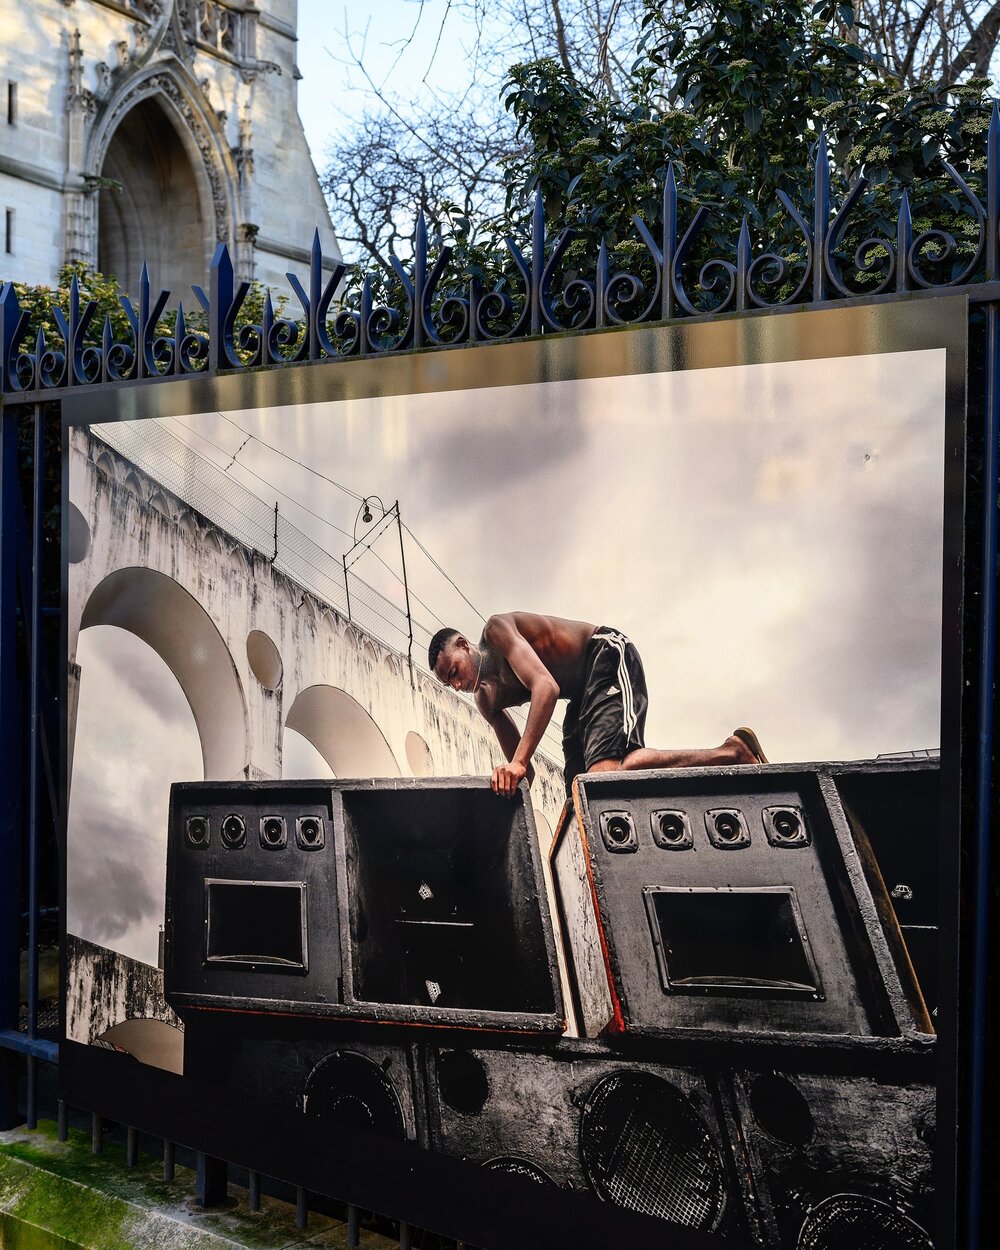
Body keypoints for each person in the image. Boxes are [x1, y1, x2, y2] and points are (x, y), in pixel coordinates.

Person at [428, 612, 767, 797]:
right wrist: (501, 788)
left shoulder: (497, 631)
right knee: (583, 798)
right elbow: (525, 772)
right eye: (449, 683)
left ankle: (733, 753)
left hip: (603, 653)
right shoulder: (486, 701)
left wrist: (516, 764)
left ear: (464, 644)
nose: (458, 684)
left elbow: (545, 687)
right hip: (580, 695)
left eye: (455, 671)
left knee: (605, 776)